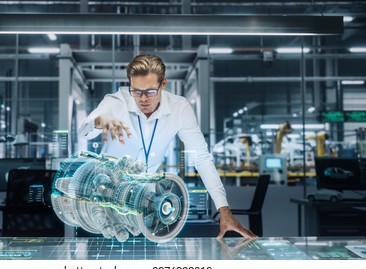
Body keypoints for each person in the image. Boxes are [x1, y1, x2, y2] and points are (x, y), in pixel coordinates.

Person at [78, 54, 257, 239]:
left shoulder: (179, 108)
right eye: (136, 91)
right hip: (103, 200)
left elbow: (201, 157)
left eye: (150, 91)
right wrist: (99, 121)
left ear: (163, 84)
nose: (143, 99)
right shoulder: (117, 101)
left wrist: (223, 209)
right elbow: (84, 129)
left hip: (144, 205)